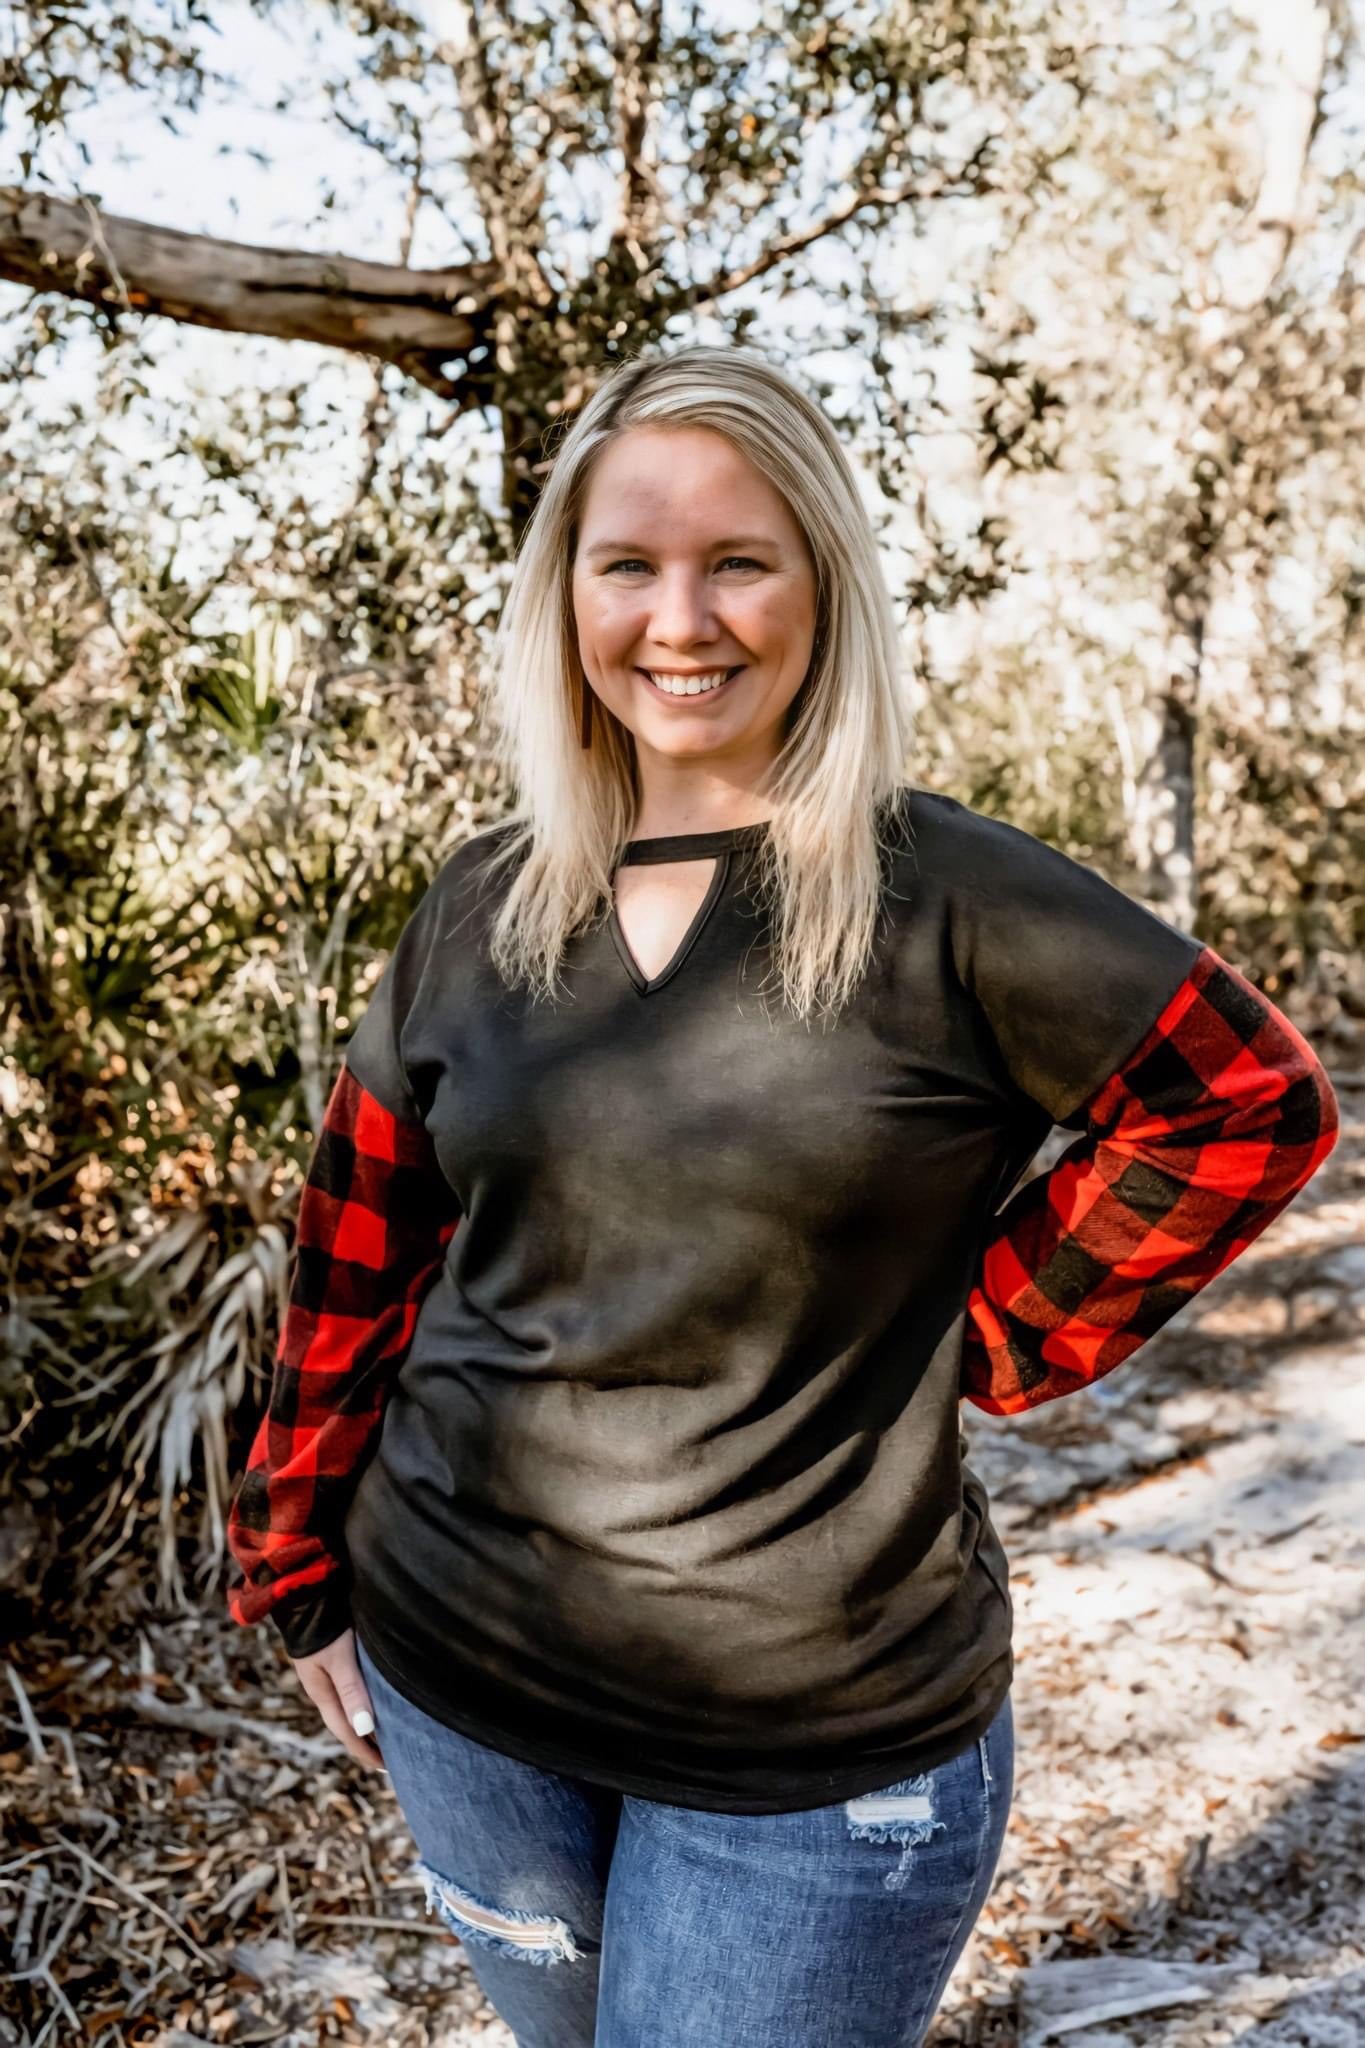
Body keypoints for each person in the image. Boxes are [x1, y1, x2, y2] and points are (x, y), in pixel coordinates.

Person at [225, 342, 1339, 2048]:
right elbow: (360, 1245)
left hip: (816, 1764)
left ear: (821, 589)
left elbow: (1241, 1105)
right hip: (462, 1686)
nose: (681, 620)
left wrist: (981, 1340)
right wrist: (293, 1554)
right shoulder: (480, 905)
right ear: (564, 595)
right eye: (629, 564)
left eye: (738, 559)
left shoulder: (949, 899)